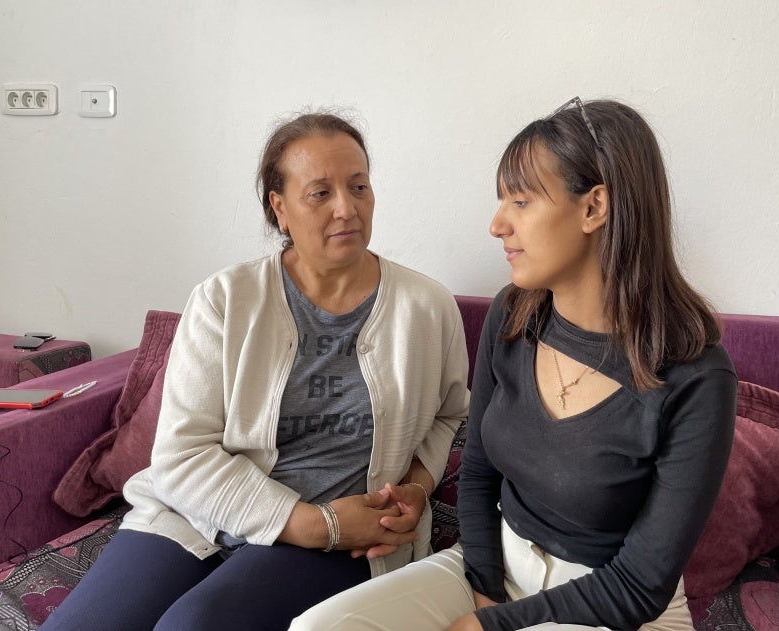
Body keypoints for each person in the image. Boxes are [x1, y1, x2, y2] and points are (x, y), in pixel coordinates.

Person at [290, 98, 738, 631]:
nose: (497, 224)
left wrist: (488, 627)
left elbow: (641, 583)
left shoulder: (697, 376)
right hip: (496, 564)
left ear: (595, 208)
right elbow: (478, 471)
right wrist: (483, 588)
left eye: (521, 202)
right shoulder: (513, 315)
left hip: (609, 603)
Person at [42, 112, 470, 631]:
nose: (347, 208)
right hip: (199, 517)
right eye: (320, 193)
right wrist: (316, 526)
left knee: (194, 626)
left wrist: (417, 490)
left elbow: (449, 415)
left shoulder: (426, 307)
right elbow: (181, 455)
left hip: (351, 535)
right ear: (280, 208)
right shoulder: (225, 300)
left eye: (359, 186)